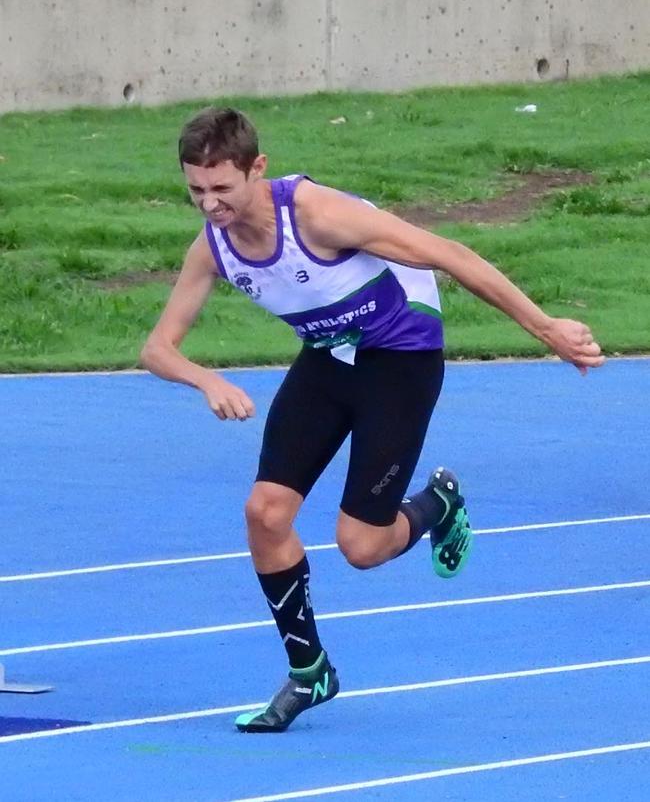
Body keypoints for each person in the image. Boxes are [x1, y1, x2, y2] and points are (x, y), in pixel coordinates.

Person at [140, 107, 604, 733]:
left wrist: (546, 327)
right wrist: (206, 380)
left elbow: (447, 252)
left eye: (222, 188)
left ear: (258, 169)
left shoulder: (318, 215)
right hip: (329, 359)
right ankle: (310, 672)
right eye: (196, 189)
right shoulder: (214, 247)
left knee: (361, 547)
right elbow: (157, 348)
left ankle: (437, 504)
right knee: (265, 513)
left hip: (400, 360)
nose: (210, 204)